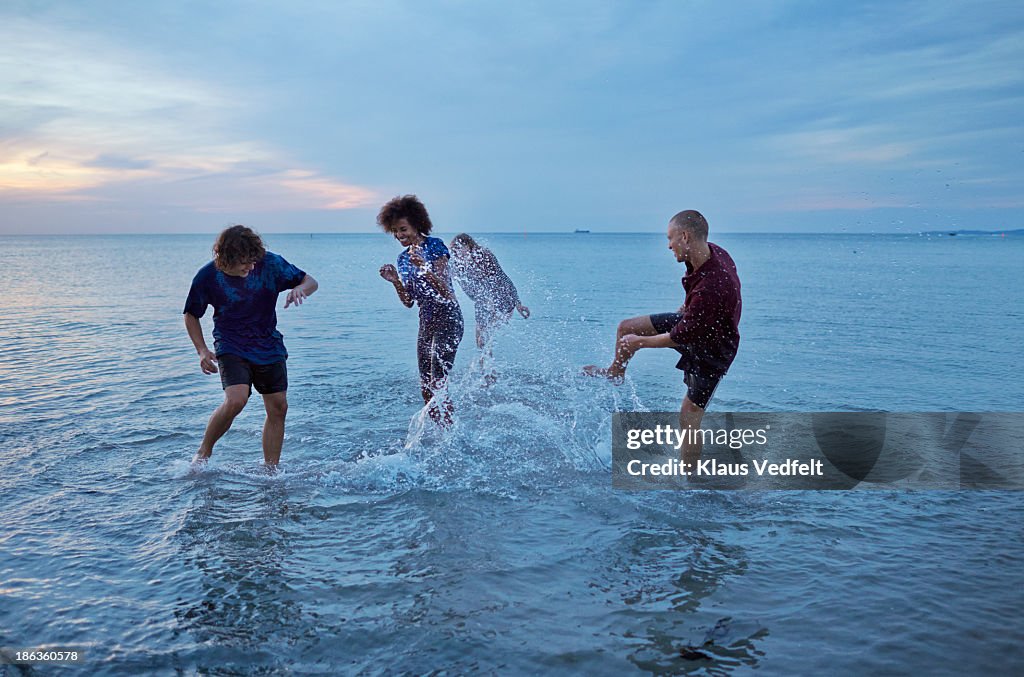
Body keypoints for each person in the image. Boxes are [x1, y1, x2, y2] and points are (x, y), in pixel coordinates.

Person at [583, 210, 741, 463]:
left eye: (671, 238)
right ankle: (615, 373)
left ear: (685, 236)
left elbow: (679, 336)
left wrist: (641, 343)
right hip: (697, 320)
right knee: (626, 327)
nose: (668, 246)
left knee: (689, 417)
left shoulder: (712, 287)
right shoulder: (710, 253)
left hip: (714, 349)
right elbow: (699, 304)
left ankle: (691, 479)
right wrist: (688, 307)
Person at [183, 225, 318, 467]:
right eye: (244, 262)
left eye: (253, 260)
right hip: (231, 343)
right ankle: (203, 454)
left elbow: (310, 281)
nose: (251, 266)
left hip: (268, 344)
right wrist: (202, 350)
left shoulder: (270, 263)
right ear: (225, 258)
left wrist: (300, 289)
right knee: (236, 399)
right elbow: (191, 314)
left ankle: (271, 470)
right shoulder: (207, 277)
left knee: (278, 407)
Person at [377, 195, 463, 427]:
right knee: (425, 386)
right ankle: (438, 433)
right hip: (426, 322)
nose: (399, 235)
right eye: (395, 231)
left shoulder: (434, 246)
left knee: (438, 382)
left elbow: (447, 292)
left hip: (448, 319)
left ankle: (452, 431)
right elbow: (408, 301)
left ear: (417, 224)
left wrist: (424, 268)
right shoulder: (403, 258)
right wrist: (395, 280)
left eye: (403, 229)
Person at [449, 234, 529, 379]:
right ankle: (486, 370)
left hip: (502, 299)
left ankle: (489, 371)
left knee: (487, 337)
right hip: (482, 301)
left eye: (460, 248)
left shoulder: (484, 255)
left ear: (469, 246)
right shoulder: (456, 263)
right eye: (454, 250)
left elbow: (503, 277)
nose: (457, 252)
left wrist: (518, 303)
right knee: (480, 340)